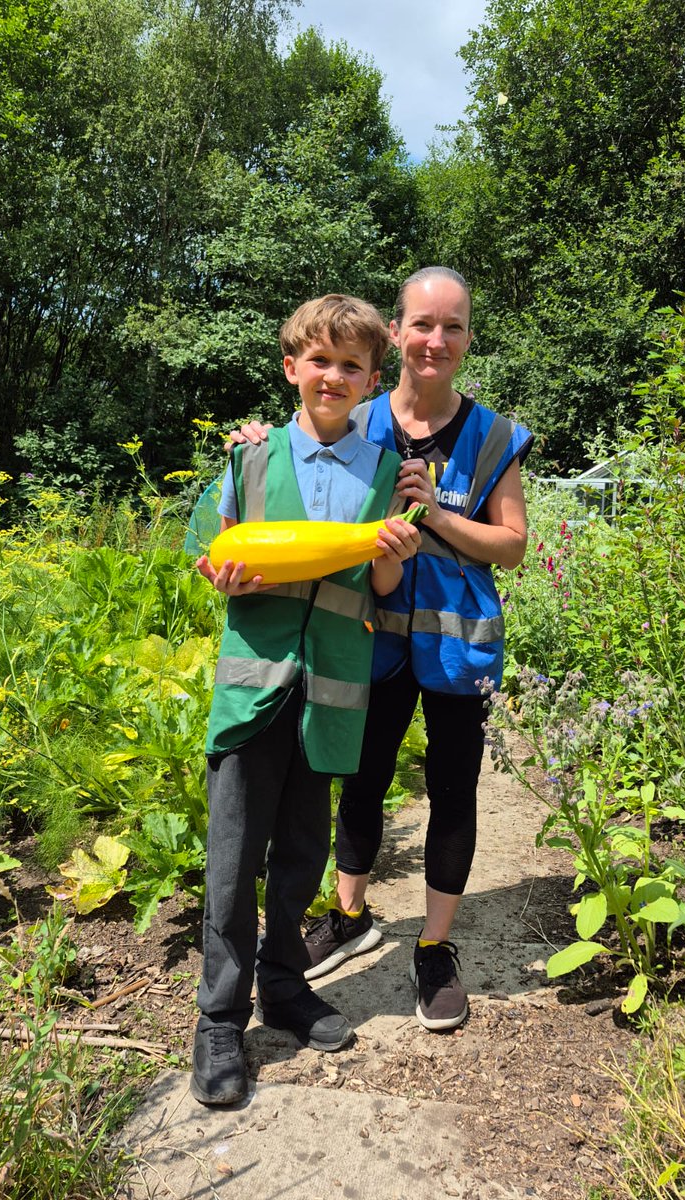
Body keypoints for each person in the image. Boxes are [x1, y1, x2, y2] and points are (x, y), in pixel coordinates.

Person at [230, 267, 533, 1034]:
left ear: (467, 339)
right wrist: (254, 442)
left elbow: (514, 546)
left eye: (453, 326)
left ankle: (433, 948)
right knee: (361, 781)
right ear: (395, 333)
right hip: (367, 637)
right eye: (422, 324)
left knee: (452, 788)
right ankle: (350, 915)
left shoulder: (493, 435)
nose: (436, 340)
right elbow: (304, 450)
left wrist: (434, 515)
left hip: (458, 649)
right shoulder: (358, 416)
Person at [184, 294, 421, 1106]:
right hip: (255, 685)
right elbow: (203, 553)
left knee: (299, 857)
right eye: (319, 360)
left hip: (334, 689)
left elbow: (382, 585)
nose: (333, 375)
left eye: (351, 366)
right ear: (292, 369)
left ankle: (283, 988)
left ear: (370, 381)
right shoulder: (249, 458)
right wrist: (220, 573)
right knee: (232, 859)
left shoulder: (385, 471)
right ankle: (219, 1019)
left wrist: (394, 550)